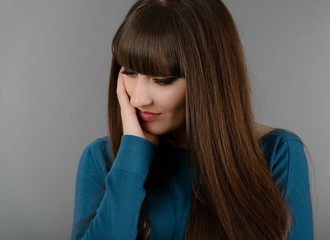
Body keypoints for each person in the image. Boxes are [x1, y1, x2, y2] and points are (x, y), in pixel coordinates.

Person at [70, 0, 313, 239]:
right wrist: (132, 156)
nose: (138, 99)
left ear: (209, 80)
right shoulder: (102, 159)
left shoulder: (276, 154)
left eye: (162, 79)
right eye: (130, 72)